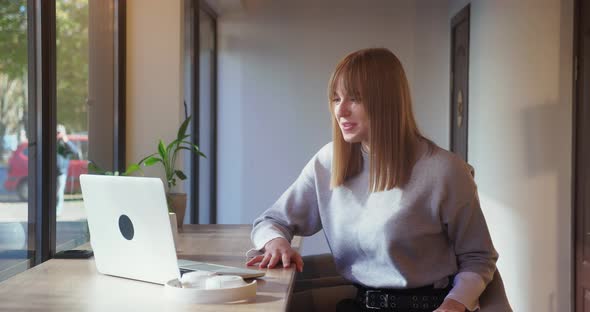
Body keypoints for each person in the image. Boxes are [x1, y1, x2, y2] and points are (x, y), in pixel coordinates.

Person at [246, 48, 511, 312]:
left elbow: (479, 257)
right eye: (336, 99)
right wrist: (276, 242)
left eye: (355, 99)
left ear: (386, 102)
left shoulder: (445, 170)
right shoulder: (328, 162)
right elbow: (271, 221)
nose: (341, 111)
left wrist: (454, 305)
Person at [56, 124, 78, 216]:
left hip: (61, 172)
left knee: (59, 192)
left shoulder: (66, 144)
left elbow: (75, 152)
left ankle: (58, 211)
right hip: (52, 172)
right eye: (57, 132)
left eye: (59, 133)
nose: (58, 135)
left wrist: (66, 141)